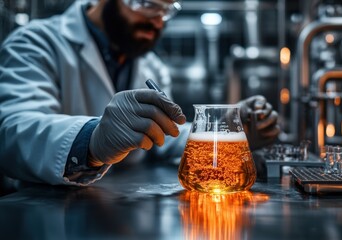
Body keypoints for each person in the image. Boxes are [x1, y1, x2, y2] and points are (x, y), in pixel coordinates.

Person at [0, 0, 280, 186]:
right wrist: (91, 140)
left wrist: (226, 131)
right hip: (46, 208)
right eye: (146, 4)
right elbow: (11, 131)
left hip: (120, 211)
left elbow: (164, 136)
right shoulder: (36, 43)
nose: (157, 22)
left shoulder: (150, 66)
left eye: (166, 10)